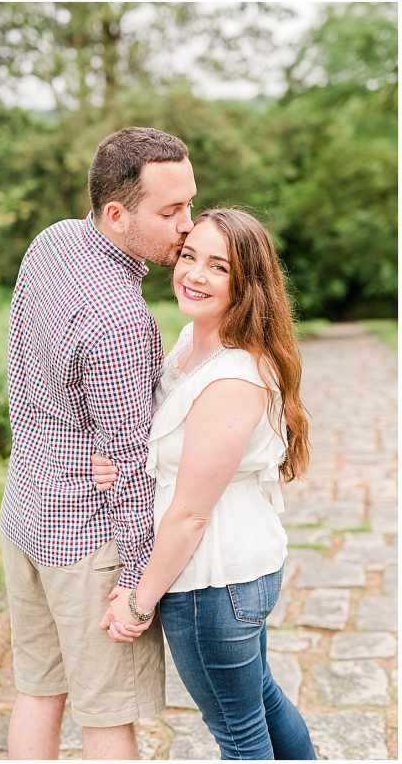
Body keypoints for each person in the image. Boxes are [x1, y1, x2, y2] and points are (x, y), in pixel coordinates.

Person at [0, 126, 196, 760]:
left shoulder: (51, 241)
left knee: (37, 694)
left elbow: (26, 378)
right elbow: (132, 468)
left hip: (24, 512)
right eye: (170, 212)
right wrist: (137, 585)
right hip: (89, 542)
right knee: (109, 721)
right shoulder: (121, 320)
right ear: (117, 214)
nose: (187, 225)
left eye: (189, 203)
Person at [94, 208, 316, 759]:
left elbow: (191, 512)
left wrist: (139, 602)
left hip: (210, 586)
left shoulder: (234, 376)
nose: (194, 274)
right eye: (190, 256)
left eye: (218, 267)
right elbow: (175, 445)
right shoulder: (194, 346)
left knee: (240, 735)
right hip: (234, 575)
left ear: (246, 286)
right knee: (258, 702)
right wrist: (123, 465)